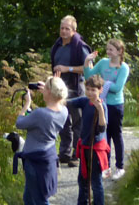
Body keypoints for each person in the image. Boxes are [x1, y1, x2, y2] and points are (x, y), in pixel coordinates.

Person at [14, 76, 69, 205]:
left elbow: (19, 123)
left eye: (46, 89)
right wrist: (48, 88)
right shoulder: (64, 111)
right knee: (28, 198)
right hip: (47, 158)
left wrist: (27, 104)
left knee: (40, 200)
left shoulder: (40, 114)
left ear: (49, 92)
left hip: (34, 161)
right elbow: (58, 101)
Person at [84, 38, 130, 180]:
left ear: (119, 51)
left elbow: (117, 88)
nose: (107, 51)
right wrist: (87, 62)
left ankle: (120, 167)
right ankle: (107, 167)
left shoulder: (123, 68)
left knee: (116, 135)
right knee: (105, 136)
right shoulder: (103, 62)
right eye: (107, 48)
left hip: (115, 105)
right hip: (102, 104)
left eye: (111, 49)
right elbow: (89, 77)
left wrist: (103, 84)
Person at [50, 15, 91, 166]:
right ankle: (64, 153)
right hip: (59, 88)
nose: (64, 31)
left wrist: (67, 69)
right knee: (63, 121)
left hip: (76, 88)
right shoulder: (57, 46)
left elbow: (88, 68)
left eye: (67, 28)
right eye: (62, 28)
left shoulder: (80, 46)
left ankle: (77, 154)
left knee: (77, 122)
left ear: (74, 31)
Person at [68, 74, 110, 205]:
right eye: (88, 89)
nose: (90, 92)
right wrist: (53, 91)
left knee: (96, 182)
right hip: (85, 146)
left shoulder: (102, 106)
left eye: (93, 90)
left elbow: (102, 128)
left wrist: (100, 111)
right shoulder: (85, 101)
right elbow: (67, 102)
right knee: (82, 179)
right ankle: (82, 202)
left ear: (100, 90)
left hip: (95, 149)